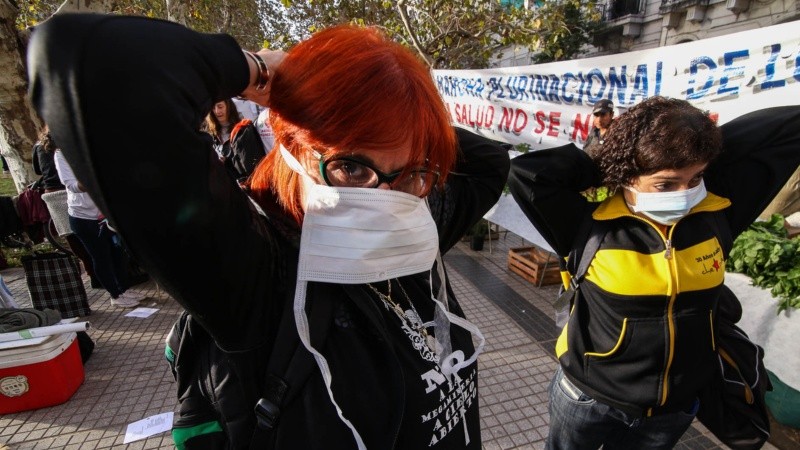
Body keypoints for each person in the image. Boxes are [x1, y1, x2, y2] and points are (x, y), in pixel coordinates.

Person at [29, 14, 510, 450]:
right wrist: (263, 73)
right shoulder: (251, 269)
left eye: (412, 172)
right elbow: (80, 61)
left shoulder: (415, 217)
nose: (384, 198)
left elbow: (488, 162)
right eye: (349, 166)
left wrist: (403, 112)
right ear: (293, 149)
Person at [507, 96, 800, 449]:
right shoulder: (589, 226)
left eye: (696, 178)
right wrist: (615, 157)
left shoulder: (719, 214)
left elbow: (788, 130)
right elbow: (528, 173)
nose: (686, 193)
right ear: (629, 174)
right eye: (666, 184)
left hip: (672, 410)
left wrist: (695, 139)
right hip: (588, 398)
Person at [53, 150, 146, 308]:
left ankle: (123, 289)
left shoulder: (88, 146)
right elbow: (72, 185)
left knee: (118, 253)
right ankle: (115, 294)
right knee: (101, 257)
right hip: (84, 217)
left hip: (106, 213)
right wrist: (95, 177)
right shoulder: (62, 153)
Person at [205, 98, 266, 182]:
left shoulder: (243, 130)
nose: (217, 111)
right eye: (213, 108)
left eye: (220, 107)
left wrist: (227, 161)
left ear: (228, 107)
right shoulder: (211, 134)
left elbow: (251, 163)